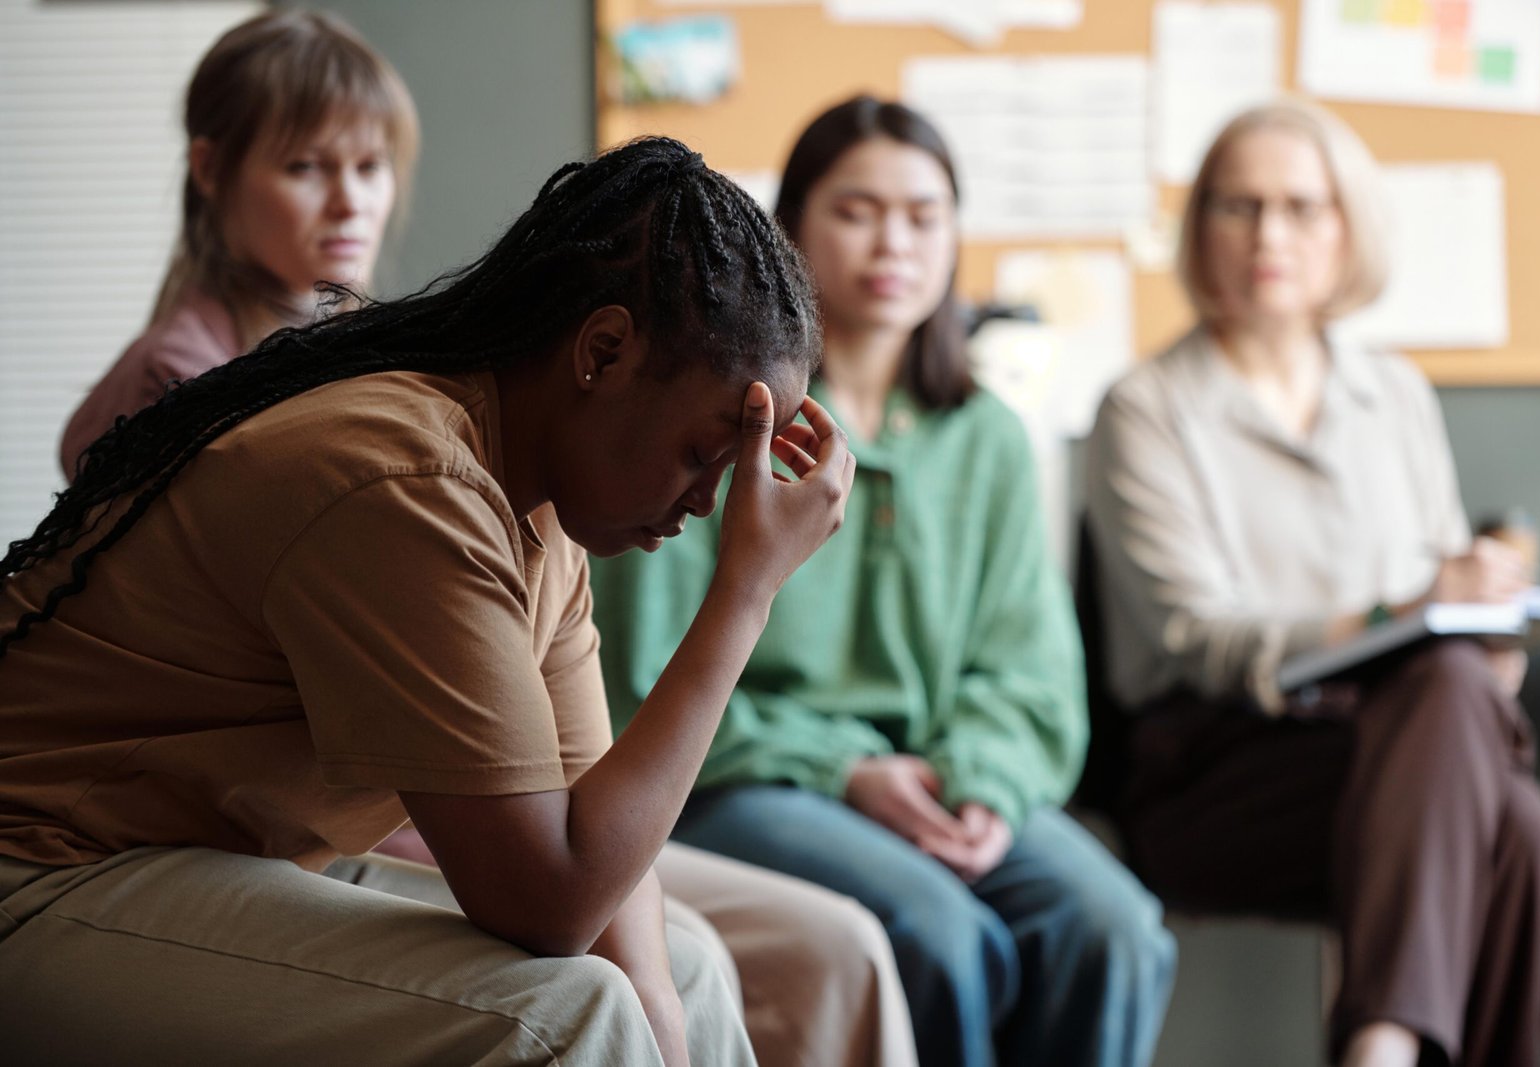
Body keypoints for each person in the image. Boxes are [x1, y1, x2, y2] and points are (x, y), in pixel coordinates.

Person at [52, 15, 920, 1063]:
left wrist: (661, 1006)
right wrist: (745, 594)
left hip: (226, 856)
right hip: (55, 866)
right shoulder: (408, 481)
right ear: (601, 351)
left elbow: (598, 827)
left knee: (672, 966)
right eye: (705, 452)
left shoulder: (533, 504)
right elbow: (547, 898)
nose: (710, 501)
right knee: (575, 1010)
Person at [589, 95, 1175, 1067]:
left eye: (923, 214)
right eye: (857, 211)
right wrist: (846, 772)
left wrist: (985, 779)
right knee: (942, 938)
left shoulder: (986, 434)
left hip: (941, 774)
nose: (892, 242)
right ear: (791, 227)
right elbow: (640, 677)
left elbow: (1030, 669)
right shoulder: (727, 420)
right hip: (753, 775)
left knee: (1113, 926)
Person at [1083, 99, 1540, 1067]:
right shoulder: (1146, 406)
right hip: (1216, 770)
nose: (1270, 235)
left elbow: (1442, 601)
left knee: (1488, 753)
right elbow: (1190, 635)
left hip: (1403, 745)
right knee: (1513, 815)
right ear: (1199, 228)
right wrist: (1395, 615)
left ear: (1348, 230)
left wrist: (1478, 617)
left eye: (1303, 207)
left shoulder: (1396, 394)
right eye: (1238, 207)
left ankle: (1377, 1043)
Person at [58, 9, 418, 478]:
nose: (351, 203)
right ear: (210, 169)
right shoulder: (177, 383)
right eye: (305, 167)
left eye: (369, 166)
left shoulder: (358, 351)